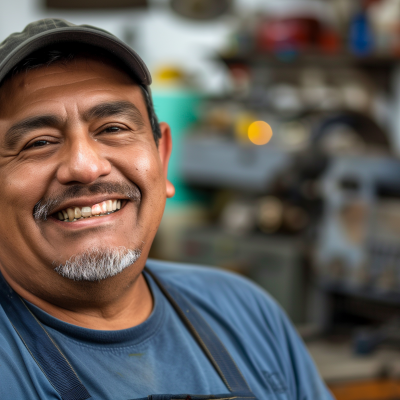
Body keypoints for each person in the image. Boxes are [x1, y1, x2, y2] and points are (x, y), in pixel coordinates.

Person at [0, 19, 334, 400]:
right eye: (39, 142)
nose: (85, 166)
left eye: (113, 128)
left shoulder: (248, 314)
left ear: (162, 158)